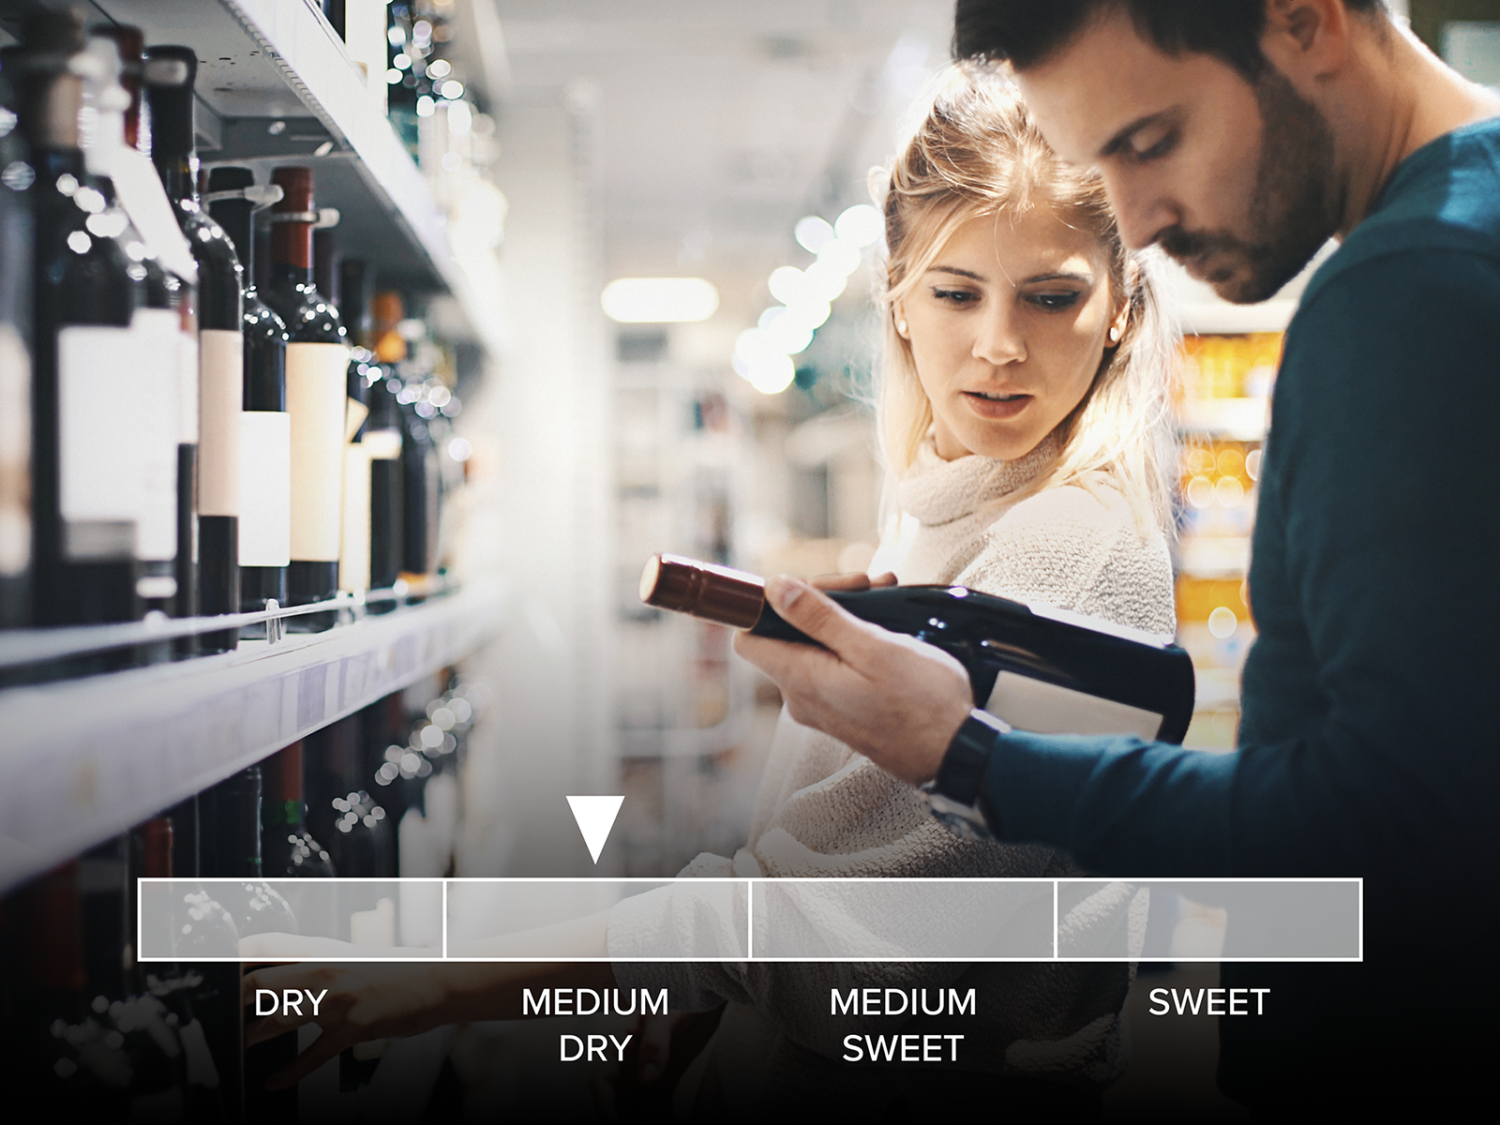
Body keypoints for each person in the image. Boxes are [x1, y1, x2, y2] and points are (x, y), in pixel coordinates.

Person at [243, 64, 1181, 1117]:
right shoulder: (944, 512)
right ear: (902, 305)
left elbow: (857, 943)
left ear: (1119, 309)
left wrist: (412, 986)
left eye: (1050, 296)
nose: (999, 345)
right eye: (957, 293)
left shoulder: (1070, 549)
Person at [733, 0, 1500, 1114]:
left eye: (1149, 142)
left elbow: (1374, 838)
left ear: (1306, 21)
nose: (1134, 227)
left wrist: (974, 757)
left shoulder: (1407, 291)